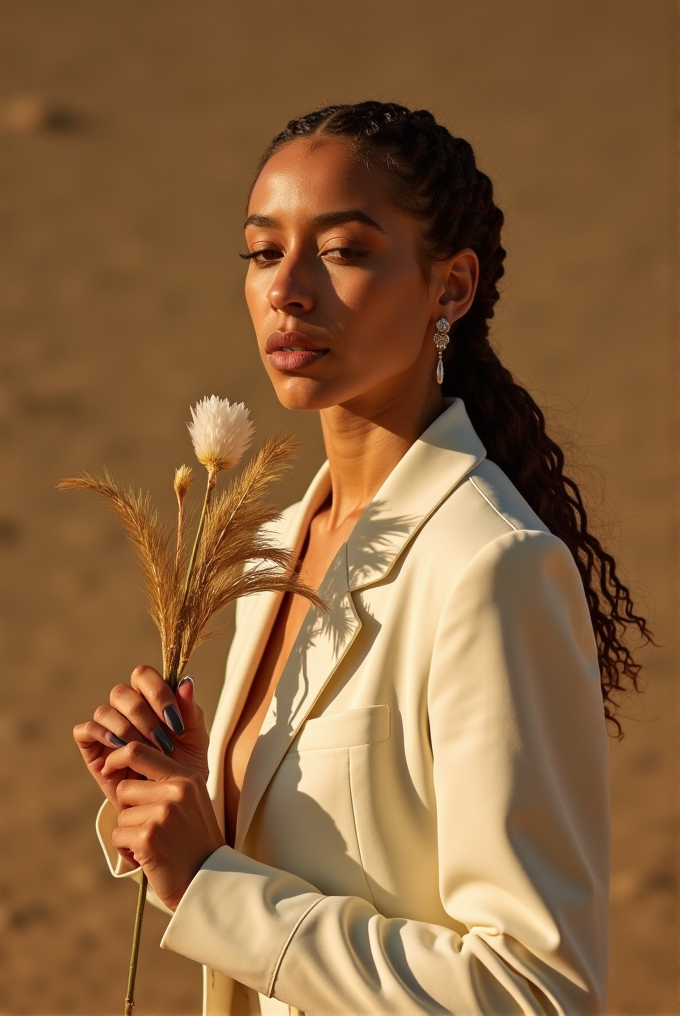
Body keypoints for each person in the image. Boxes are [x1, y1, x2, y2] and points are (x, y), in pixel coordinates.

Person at [74, 102, 649, 1016]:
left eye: (342, 250)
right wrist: (184, 801)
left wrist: (212, 885)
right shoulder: (274, 543)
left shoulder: (490, 568)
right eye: (264, 252)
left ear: (450, 287)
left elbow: (536, 990)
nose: (288, 290)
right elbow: (295, 872)